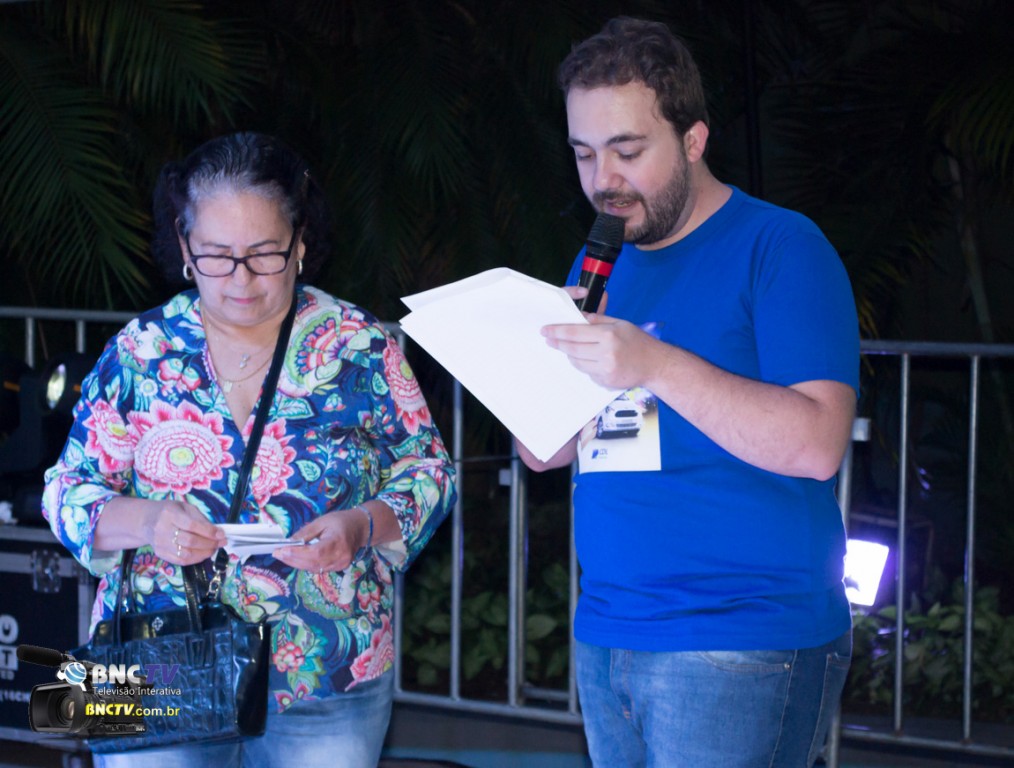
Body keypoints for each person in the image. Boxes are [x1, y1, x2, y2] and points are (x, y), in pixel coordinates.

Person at [42, 132, 457, 768]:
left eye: (264, 254)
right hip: (153, 658)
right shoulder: (140, 350)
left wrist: (361, 525)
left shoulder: (360, 345)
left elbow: (428, 471)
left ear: (300, 243)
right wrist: (149, 523)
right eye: (216, 255)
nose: (240, 279)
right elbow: (67, 490)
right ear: (185, 247)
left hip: (323, 664)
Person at [514, 17, 859, 768]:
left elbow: (816, 444)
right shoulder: (601, 256)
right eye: (584, 153)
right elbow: (544, 452)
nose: (603, 180)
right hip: (609, 630)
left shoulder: (782, 248)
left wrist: (654, 363)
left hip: (742, 636)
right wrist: (523, 371)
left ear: (694, 139)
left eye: (628, 150)